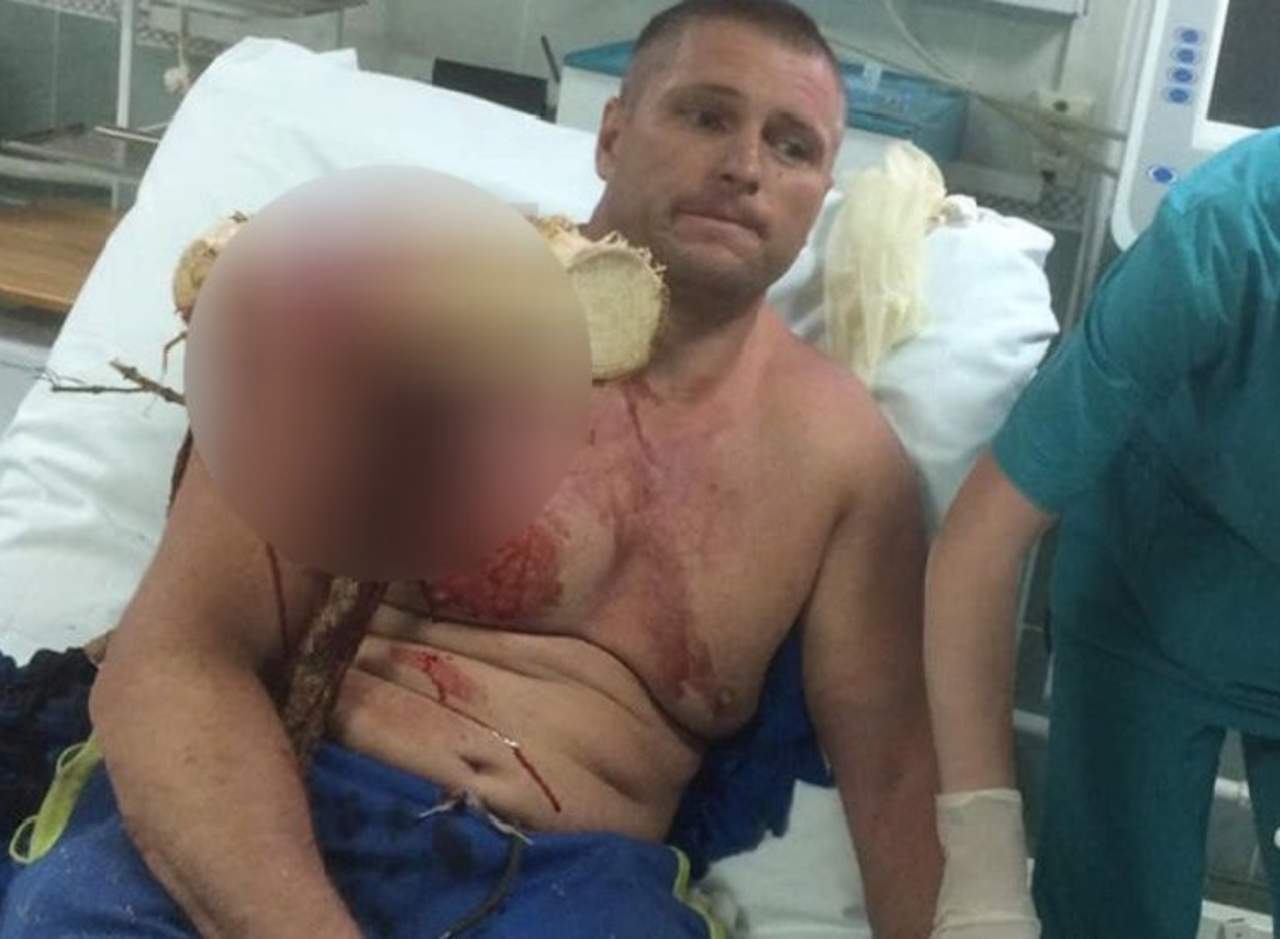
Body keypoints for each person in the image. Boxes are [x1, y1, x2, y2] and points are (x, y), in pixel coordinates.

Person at [0, 2, 942, 937]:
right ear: (613, 135)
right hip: (280, 792)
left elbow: (897, 778)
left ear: (822, 189)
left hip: (575, 886)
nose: (744, 166)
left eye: (792, 146)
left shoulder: (845, 464)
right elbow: (178, 654)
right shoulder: (391, 300)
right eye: (705, 115)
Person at [924, 127, 1280, 938]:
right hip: (1148, 604)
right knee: (1112, 916)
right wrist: (982, 879)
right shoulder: (1228, 231)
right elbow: (978, 544)